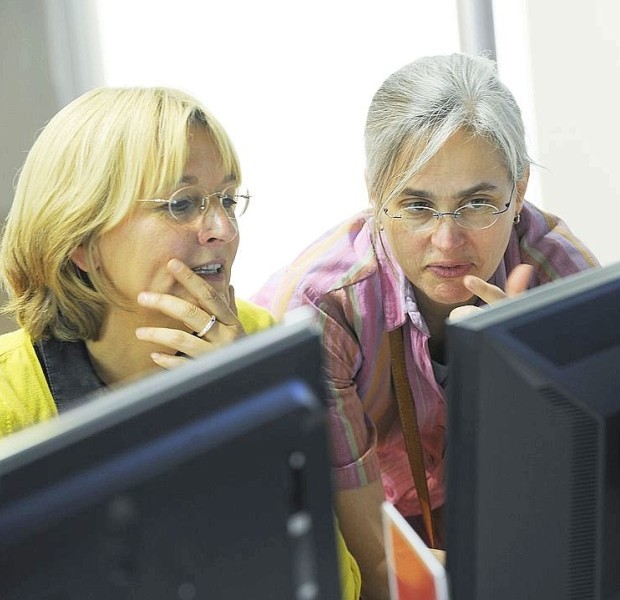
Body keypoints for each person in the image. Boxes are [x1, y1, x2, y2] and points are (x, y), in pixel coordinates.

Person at [0, 87, 360, 599]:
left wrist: (244, 425)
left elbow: (336, 586)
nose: (223, 229)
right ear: (81, 241)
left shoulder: (257, 342)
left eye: (228, 200)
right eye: (182, 203)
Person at [252, 53, 600, 599]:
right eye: (416, 206)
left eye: (478, 203)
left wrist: (517, 367)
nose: (447, 241)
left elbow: (586, 479)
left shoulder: (555, 270)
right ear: (376, 195)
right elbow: (374, 568)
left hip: (462, 504)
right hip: (355, 515)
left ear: (521, 187)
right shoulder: (321, 305)